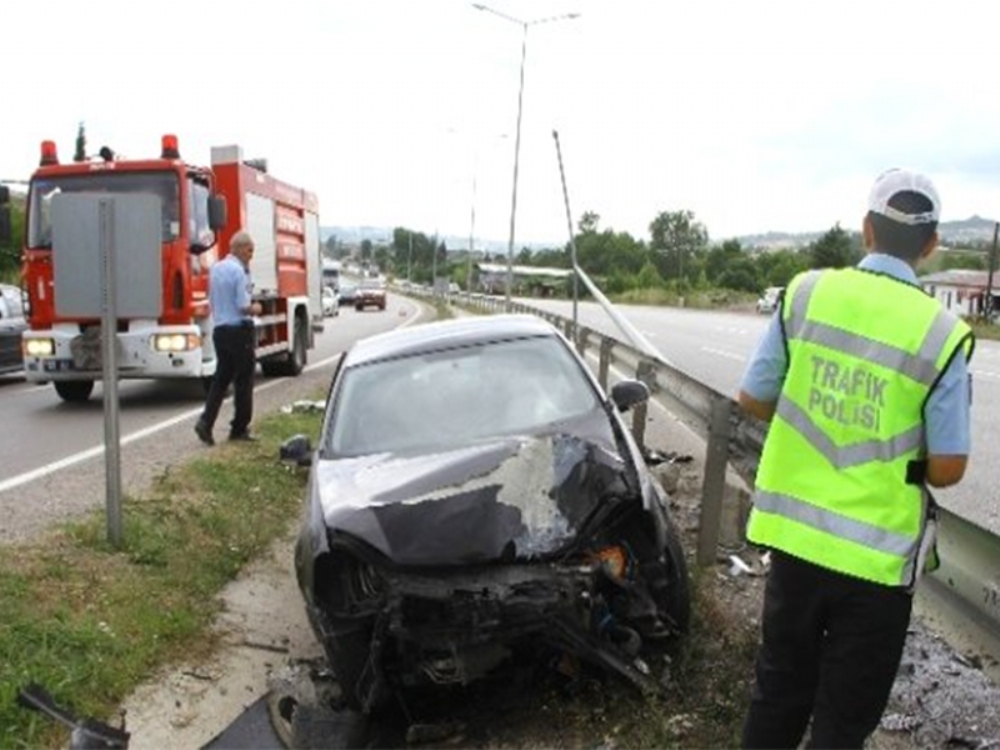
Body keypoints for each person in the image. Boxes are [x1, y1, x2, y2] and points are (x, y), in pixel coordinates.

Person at [738, 169, 974, 749]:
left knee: (777, 699)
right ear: (931, 246)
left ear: (866, 231)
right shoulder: (943, 334)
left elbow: (753, 398)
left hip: (794, 544)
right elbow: (948, 468)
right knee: (842, 725)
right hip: (876, 567)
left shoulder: (806, 293)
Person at [194, 230, 262, 446]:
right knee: (244, 381)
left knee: (221, 379)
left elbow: (212, 299)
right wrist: (256, 308)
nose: (251, 255)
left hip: (220, 330)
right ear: (240, 248)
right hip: (239, 330)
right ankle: (239, 428)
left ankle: (206, 422)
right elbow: (243, 306)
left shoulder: (216, 269)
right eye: (250, 250)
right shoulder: (239, 271)